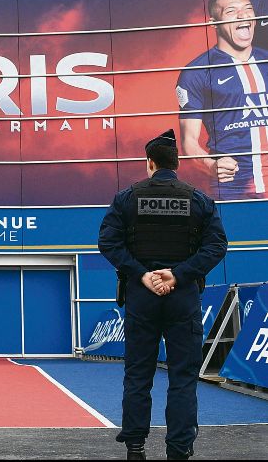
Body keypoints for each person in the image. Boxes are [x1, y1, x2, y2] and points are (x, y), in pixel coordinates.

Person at [98, 130, 228, 460]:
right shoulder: (199, 200)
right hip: (182, 297)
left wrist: (142, 274)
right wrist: (178, 274)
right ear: (177, 164)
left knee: (138, 375)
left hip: (142, 299)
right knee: (183, 377)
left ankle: (135, 447)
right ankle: (179, 449)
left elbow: (108, 243)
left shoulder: (127, 198)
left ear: (150, 163)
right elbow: (217, 246)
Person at [177, 0, 268, 200]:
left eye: (248, 9)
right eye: (231, 11)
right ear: (214, 22)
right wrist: (210, 165)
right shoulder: (196, 73)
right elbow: (189, 141)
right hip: (234, 190)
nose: (243, 15)